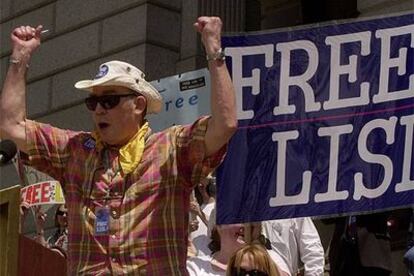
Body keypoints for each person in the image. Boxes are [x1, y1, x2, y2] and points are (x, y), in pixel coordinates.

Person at [0, 16, 237, 274]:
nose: (98, 110)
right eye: (93, 103)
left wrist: (214, 51)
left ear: (138, 105)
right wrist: (19, 59)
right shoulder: (75, 150)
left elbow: (225, 124)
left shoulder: (172, 148)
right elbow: (11, 128)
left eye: (109, 101)